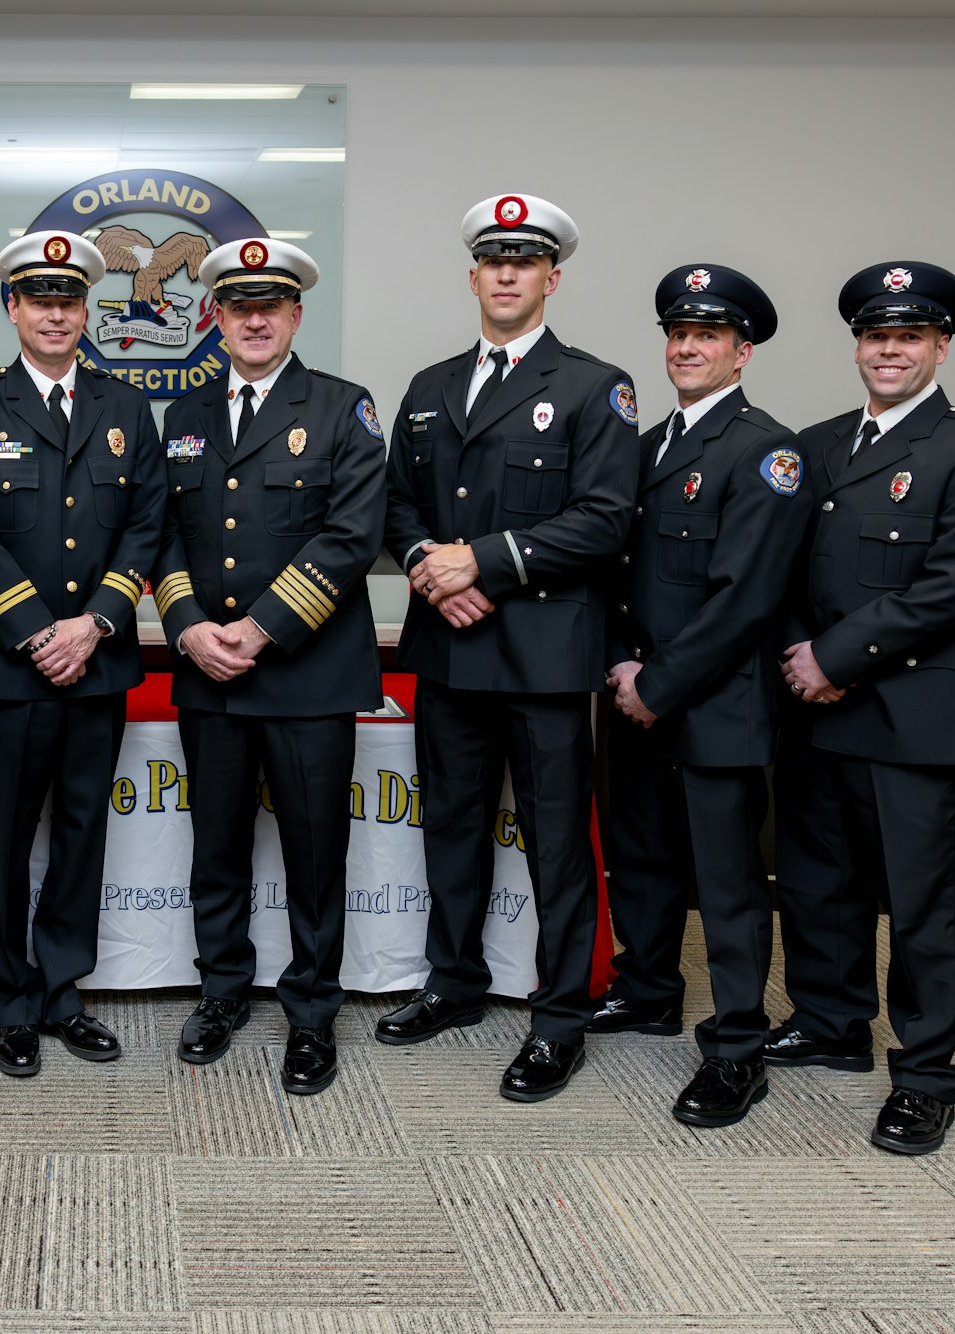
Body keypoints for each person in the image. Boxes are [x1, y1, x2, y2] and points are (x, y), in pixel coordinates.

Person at [378, 194, 638, 1101]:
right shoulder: (431, 385)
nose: (506, 274)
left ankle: (559, 1015)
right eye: (493, 260)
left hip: (540, 653)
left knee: (556, 842)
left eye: (524, 261)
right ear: (474, 275)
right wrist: (425, 563)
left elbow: (605, 520)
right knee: (450, 828)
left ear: (551, 278)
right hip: (449, 648)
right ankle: (453, 983)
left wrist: (479, 563)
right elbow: (397, 505)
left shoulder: (594, 386)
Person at [774, 262, 955, 1154]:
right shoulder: (816, 443)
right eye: (877, 337)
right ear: (857, 347)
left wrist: (836, 659)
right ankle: (830, 1021)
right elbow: (787, 571)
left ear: (940, 346)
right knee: (817, 882)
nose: (890, 350)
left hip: (913, 712)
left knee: (920, 902)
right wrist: (805, 659)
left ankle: (924, 1075)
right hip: (814, 706)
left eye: (909, 337)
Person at [152, 239, 385, 1095]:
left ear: (294, 316)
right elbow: (163, 532)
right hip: (207, 673)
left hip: (305, 674)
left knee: (314, 853)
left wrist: (257, 629)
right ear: (213, 317)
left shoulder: (341, 408)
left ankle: (313, 1010)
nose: (254, 319)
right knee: (215, 846)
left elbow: (353, 534)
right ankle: (222, 990)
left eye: (271, 305)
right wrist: (186, 627)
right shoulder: (182, 417)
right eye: (238, 305)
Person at [0, 231, 167, 1077]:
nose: (57, 314)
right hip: (11, 662)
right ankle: (10, 999)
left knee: (79, 830)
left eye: (70, 301)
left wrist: (97, 621)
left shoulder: (126, 406)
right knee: (2, 834)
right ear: (13, 309)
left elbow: (148, 522)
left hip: (97, 658)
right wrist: (39, 632)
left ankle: (63, 990)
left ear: (85, 312)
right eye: (40, 300)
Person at [594, 265, 808, 1127]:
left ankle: (736, 1047)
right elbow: (610, 575)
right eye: (678, 334)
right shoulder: (647, 449)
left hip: (712, 703)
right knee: (641, 861)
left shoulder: (767, 451)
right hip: (635, 695)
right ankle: (649, 990)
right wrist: (620, 667)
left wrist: (658, 683)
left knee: (725, 886)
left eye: (708, 336)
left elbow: (744, 598)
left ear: (742, 352)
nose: (687, 348)